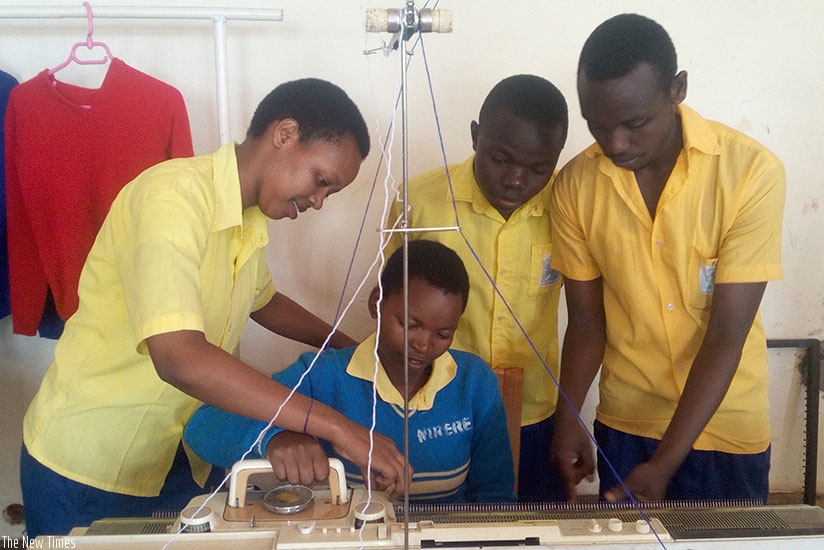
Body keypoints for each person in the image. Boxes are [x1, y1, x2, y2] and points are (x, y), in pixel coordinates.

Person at [19, 78, 409, 538]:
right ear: (284, 134)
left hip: (176, 458)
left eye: (330, 193)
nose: (318, 202)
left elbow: (263, 302)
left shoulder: (249, 217)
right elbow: (178, 357)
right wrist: (340, 428)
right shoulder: (173, 198)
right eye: (320, 180)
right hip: (87, 464)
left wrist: (356, 350)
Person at [548, 14, 785, 503]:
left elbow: (726, 335)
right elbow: (588, 323)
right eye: (598, 126)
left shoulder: (749, 173)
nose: (616, 144)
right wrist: (567, 416)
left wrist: (664, 465)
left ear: (677, 89)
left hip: (726, 430)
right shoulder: (575, 186)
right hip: (627, 424)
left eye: (636, 124)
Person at [184, 240, 517, 503]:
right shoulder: (324, 377)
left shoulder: (474, 383)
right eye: (409, 325)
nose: (424, 344)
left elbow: (495, 497)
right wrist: (275, 438)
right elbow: (203, 428)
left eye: (443, 334)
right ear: (377, 303)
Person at [388, 74, 568, 501]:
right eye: (501, 159)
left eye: (537, 168)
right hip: (440, 412)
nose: (516, 180)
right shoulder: (421, 203)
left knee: (537, 527)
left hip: (537, 413)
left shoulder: (569, 207)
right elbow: (392, 309)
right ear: (475, 136)